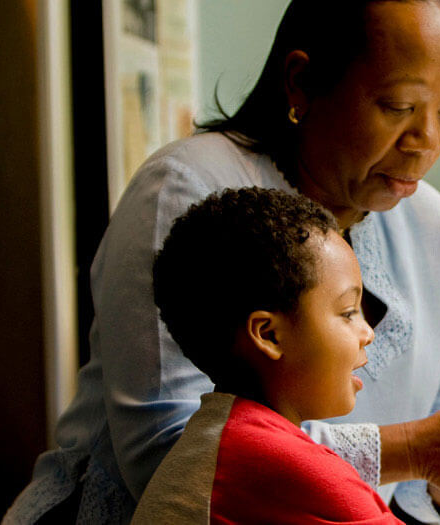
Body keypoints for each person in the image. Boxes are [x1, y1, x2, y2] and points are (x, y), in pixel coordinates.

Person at [5, 1, 440, 523]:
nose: (426, 138)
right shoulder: (191, 191)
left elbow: (426, 487)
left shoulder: (439, 231)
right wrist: (416, 450)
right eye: (399, 105)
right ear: (301, 82)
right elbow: (173, 463)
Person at [133, 188, 398, 524]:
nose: (368, 333)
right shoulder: (278, 464)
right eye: (348, 312)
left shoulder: (228, 440)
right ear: (269, 335)